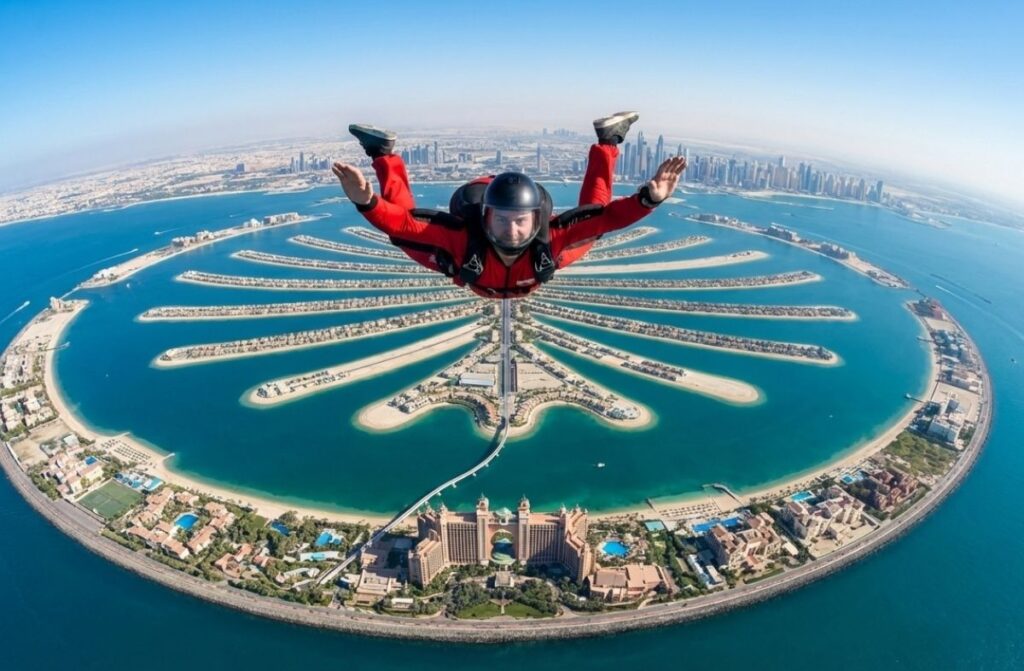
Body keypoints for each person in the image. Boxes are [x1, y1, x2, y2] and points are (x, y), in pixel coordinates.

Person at [332, 112, 685, 298]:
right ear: (485, 218)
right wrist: (368, 202)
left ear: (536, 221)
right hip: (477, 219)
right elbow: (403, 225)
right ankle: (384, 154)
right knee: (406, 235)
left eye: (520, 222)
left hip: (490, 266)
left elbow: (606, 218)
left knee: (592, 229)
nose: (511, 230)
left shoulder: (551, 239)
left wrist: (647, 199)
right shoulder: (463, 239)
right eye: (502, 220)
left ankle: (608, 141)